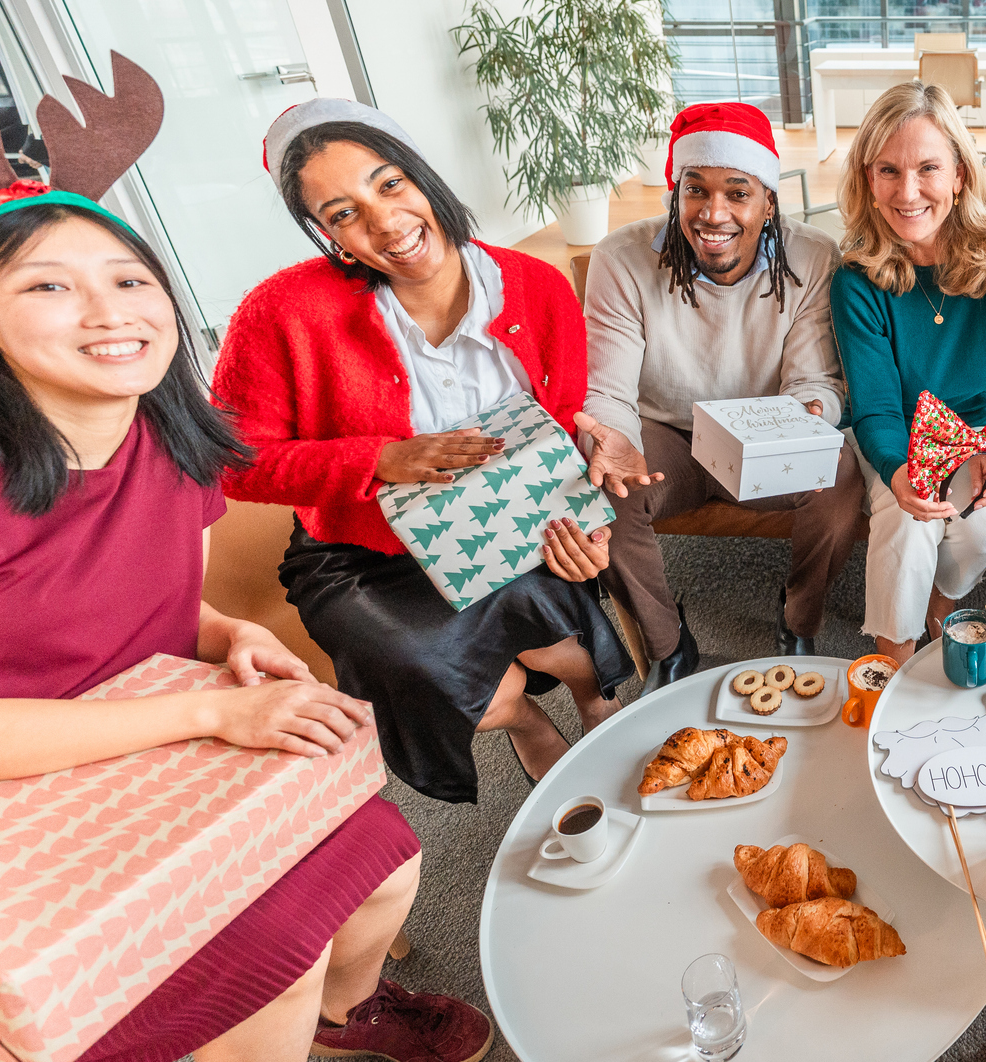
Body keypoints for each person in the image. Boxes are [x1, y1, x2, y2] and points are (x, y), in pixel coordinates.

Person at [0, 186, 483, 1062]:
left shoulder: (172, 437)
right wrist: (209, 708)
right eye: (51, 285)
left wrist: (228, 639)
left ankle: (347, 1015)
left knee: (388, 861)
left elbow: (168, 609)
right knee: (276, 944)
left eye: (130, 279)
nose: (111, 312)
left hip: (157, 749)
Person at [213, 101, 655, 804]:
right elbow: (233, 463)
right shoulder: (280, 312)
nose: (384, 223)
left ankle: (596, 702)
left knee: (563, 636)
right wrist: (380, 458)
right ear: (326, 235)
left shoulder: (536, 286)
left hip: (516, 523)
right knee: (451, 683)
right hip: (361, 552)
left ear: (423, 175)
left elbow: (559, 428)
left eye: (389, 184)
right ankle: (529, 726)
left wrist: (592, 524)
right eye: (343, 213)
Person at [583, 102, 860, 687]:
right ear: (674, 193)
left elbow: (815, 381)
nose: (714, 213)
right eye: (696, 190)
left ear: (768, 201)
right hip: (666, 437)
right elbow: (608, 391)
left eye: (737, 193)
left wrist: (812, 415)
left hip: (765, 434)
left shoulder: (812, 256)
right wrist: (612, 441)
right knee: (600, 486)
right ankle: (667, 643)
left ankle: (797, 615)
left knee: (838, 476)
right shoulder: (620, 257)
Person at [830, 81, 986, 664]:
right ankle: (890, 663)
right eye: (889, 171)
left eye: (928, 168)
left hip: (978, 432)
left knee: (983, 522)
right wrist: (900, 473)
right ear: (868, 182)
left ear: (960, 175)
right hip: (895, 431)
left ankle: (941, 599)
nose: (908, 192)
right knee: (906, 517)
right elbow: (873, 406)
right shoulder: (857, 276)